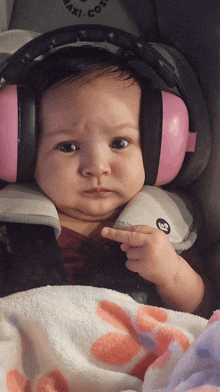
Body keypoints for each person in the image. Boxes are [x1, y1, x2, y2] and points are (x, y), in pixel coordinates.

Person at [1, 45, 214, 317]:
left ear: (155, 149)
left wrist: (172, 274)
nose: (97, 167)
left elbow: (205, 313)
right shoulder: (10, 229)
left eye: (119, 143)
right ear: (25, 154)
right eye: (67, 147)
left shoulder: (162, 230)